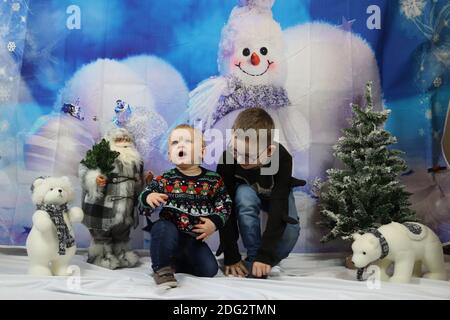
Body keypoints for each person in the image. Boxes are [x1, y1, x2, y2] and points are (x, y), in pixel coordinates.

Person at [139, 124, 232, 287]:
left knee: (209, 270)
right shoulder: (164, 179)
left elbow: (225, 204)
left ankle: (178, 261)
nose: (180, 145)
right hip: (169, 232)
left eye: (188, 141)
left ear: (202, 152)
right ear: (170, 155)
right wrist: (148, 196)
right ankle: (162, 269)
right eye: (175, 143)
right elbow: (144, 198)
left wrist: (214, 223)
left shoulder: (213, 180)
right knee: (162, 227)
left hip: (192, 239)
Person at [216, 108, 305, 278]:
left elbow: (279, 206)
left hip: (276, 195)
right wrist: (231, 255)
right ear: (233, 136)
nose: (241, 160)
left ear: (269, 151)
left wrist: (266, 256)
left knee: (291, 227)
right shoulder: (227, 160)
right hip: (248, 193)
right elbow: (224, 208)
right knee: (243, 195)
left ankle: (260, 262)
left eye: (249, 156)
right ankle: (253, 257)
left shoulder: (282, 158)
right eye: (236, 151)